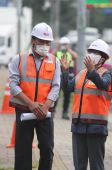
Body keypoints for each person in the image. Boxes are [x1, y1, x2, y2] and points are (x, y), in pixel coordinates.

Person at [8, 22, 60, 170]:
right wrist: (31, 104)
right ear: (33, 40)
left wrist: (46, 106)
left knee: (47, 146)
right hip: (24, 110)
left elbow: (56, 86)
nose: (44, 44)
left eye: (47, 42)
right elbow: (13, 85)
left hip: (45, 112)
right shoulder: (19, 59)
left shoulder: (54, 61)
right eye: (41, 41)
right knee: (23, 150)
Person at [61, 39, 112, 170]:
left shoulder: (106, 74)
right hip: (78, 125)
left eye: (95, 52)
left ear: (102, 59)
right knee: (79, 166)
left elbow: (102, 84)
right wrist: (65, 71)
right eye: (90, 51)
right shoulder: (80, 73)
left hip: (96, 127)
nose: (91, 54)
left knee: (96, 166)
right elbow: (67, 87)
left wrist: (92, 72)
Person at [51, 36, 78, 119]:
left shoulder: (70, 52)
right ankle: (53, 111)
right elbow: (51, 56)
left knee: (67, 96)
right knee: (56, 94)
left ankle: (65, 113)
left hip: (68, 76)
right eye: (63, 44)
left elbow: (76, 57)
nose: (64, 45)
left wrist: (68, 49)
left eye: (65, 44)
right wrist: (57, 47)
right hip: (58, 75)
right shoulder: (58, 52)